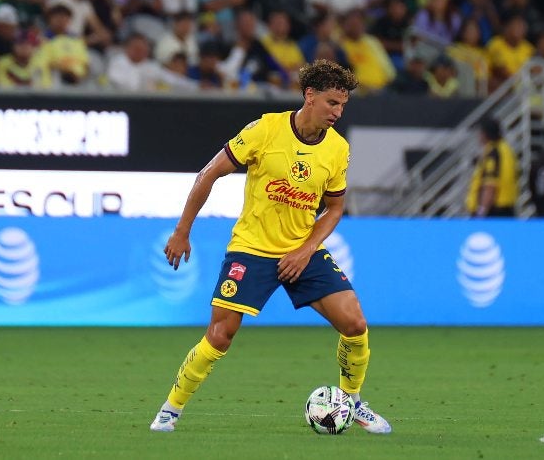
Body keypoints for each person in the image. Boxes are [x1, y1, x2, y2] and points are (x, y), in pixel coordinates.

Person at [149, 59, 392, 435]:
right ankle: (170, 409)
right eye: (332, 103)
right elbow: (208, 174)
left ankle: (353, 401)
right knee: (220, 336)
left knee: (355, 323)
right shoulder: (266, 129)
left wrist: (306, 249)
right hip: (252, 248)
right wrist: (182, 232)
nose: (337, 112)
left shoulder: (338, 149)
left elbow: (336, 207)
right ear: (309, 96)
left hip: (302, 249)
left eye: (342, 105)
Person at [465, 118, 518, 217]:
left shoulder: (493, 153)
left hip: (494, 212)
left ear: (485, 134)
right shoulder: (506, 149)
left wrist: (481, 212)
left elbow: (490, 185)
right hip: (507, 208)